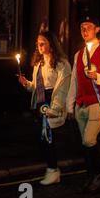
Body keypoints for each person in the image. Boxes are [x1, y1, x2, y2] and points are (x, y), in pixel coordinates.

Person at [66, 16, 100, 194]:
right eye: (82, 27)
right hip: (81, 103)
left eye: (88, 27)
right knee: (87, 142)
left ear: (97, 29)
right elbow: (74, 80)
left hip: (99, 102)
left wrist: (98, 77)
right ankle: (91, 174)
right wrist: (69, 105)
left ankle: (99, 175)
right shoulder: (78, 54)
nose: (84, 30)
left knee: (89, 139)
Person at [19, 31, 71, 185]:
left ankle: (53, 170)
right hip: (41, 103)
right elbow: (36, 86)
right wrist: (27, 83)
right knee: (43, 139)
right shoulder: (39, 63)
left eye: (43, 43)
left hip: (52, 101)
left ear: (51, 44)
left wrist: (54, 109)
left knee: (49, 138)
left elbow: (62, 88)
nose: (39, 46)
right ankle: (52, 169)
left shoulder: (62, 64)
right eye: (38, 43)